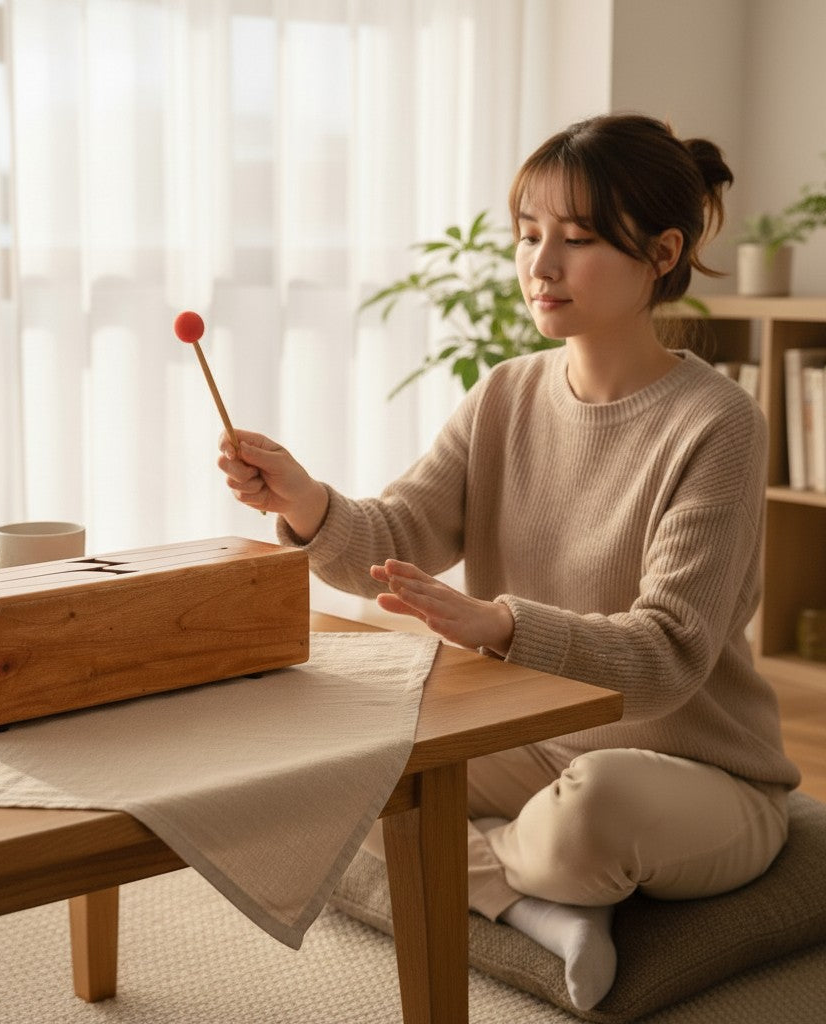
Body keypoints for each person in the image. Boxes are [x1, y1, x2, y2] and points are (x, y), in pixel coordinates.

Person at [215, 113, 800, 1011]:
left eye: (577, 239)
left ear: (661, 252)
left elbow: (670, 655)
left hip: (696, 774)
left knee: (595, 809)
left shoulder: (717, 423)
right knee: (320, 759)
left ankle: (504, 868)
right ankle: (527, 899)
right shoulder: (506, 393)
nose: (541, 265)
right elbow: (398, 532)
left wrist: (501, 625)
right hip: (530, 744)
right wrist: (307, 502)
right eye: (529, 236)